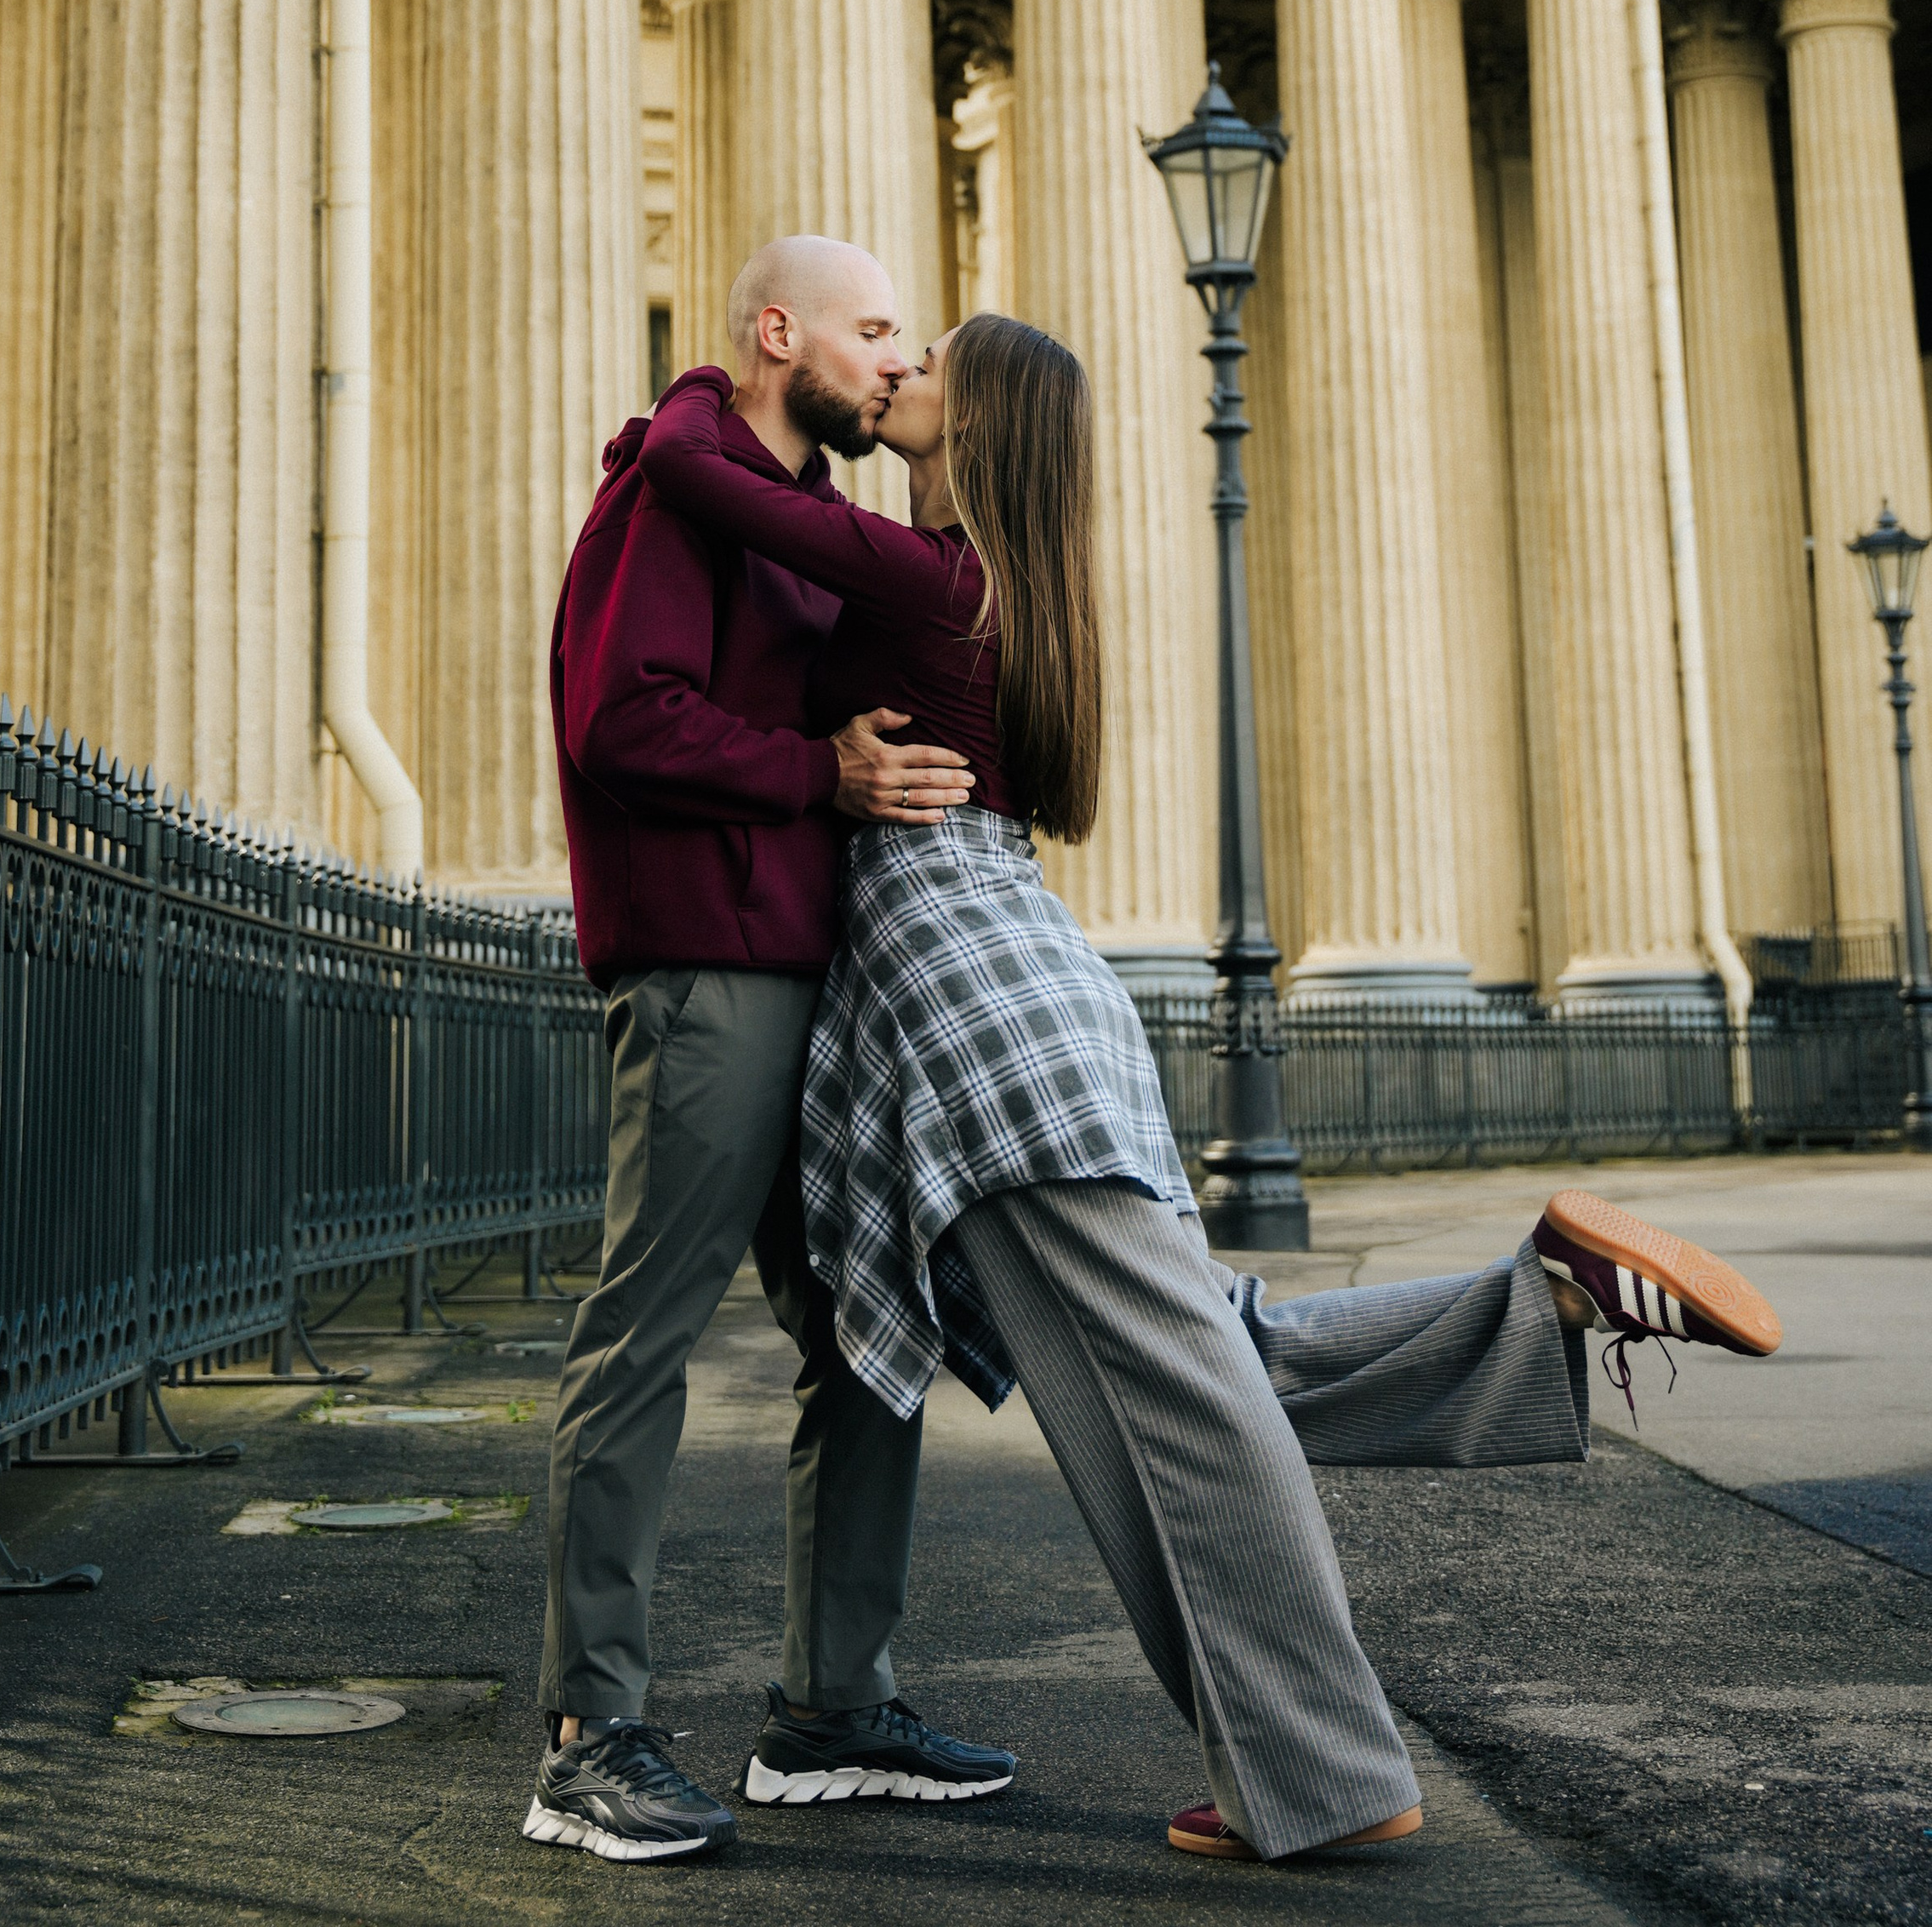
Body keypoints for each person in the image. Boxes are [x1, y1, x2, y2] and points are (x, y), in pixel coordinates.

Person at [636, 308, 1784, 1868]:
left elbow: (722, 492)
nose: (899, 374)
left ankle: (1319, 1773)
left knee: (1178, 1400)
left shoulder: (934, 570)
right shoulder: (1019, 590)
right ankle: (1546, 1306)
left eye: (933, 369)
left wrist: (690, 399)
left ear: (980, 430)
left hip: (975, 1006)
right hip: (1023, 988)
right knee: (1215, 1352)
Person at [530, 238, 1018, 1863]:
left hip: (808, 975)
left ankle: (832, 1704)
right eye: (874, 330)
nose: (896, 359)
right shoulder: (672, 498)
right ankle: (588, 1738)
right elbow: (621, 717)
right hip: (703, 974)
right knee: (643, 1336)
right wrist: (819, 773)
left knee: (870, 1330)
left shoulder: (807, 528)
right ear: (775, 331)